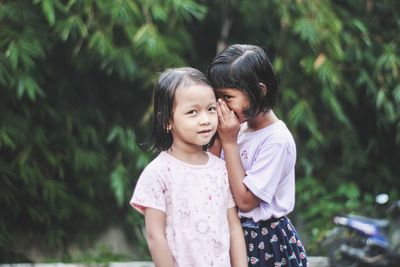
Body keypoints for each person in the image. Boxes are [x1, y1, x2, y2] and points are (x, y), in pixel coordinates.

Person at [130, 67, 247, 267]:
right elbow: (155, 236)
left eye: (211, 109)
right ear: (167, 120)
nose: (205, 120)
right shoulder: (158, 173)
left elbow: (234, 227)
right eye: (193, 112)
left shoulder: (221, 169)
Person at [207, 44, 309, 267]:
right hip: (233, 236)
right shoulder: (238, 128)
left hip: (265, 243)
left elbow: (245, 201)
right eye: (218, 97)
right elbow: (212, 176)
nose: (221, 105)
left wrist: (229, 142)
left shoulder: (276, 140)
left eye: (228, 96)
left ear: (259, 91)